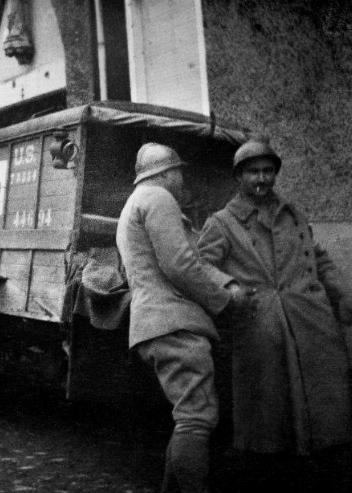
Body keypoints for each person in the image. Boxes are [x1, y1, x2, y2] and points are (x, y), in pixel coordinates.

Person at [198, 140, 352, 492]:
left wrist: (340, 293)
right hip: (262, 325)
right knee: (269, 416)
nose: (262, 179)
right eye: (253, 172)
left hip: (309, 320)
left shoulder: (292, 214)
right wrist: (230, 285)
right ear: (239, 176)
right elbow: (202, 264)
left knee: (324, 406)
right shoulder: (222, 223)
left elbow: (317, 255)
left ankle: (320, 465)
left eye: (268, 171)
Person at [116, 143, 254, 493]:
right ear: (164, 172)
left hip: (154, 324)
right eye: (178, 170)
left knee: (187, 419)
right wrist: (224, 298)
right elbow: (181, 264)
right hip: (175, 324)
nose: (182, 177)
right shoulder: (159, 199)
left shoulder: (133, 204)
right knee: (196, 418)